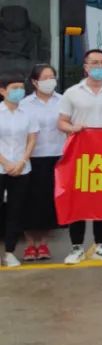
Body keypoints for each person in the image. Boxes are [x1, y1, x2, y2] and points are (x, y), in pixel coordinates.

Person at [57, 48, 102, 265]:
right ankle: (76, 247)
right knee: (78, 199)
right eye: (95, 63)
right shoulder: (72, 93)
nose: (99, 67)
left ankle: (101, 245)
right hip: (79, 155)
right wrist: (72, 128)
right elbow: (61, 122)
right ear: (86, 67)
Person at [18, 63, 62, 261]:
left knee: (47, 202)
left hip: (56, 156)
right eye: (45, 78)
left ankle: (43, 244)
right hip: (30, 157)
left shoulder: (63, 101)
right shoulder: (25, 104)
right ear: (35, 82)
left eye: (52, 77)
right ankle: (29, 245)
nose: (49, 81)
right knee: (28, 201)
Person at [0, 75, 37, 267]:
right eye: (14, 88)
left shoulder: (27, 113)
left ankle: (9, 252)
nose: (19, 91)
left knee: (15, 211)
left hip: (22, 169)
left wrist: (22, 161)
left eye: (21, 88)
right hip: (1, 167)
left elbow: (32, 139)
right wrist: (5, 162)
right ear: (2, 91)